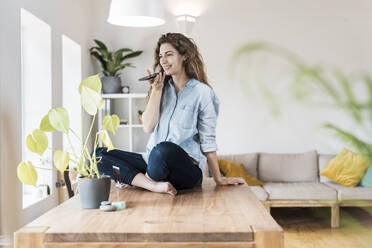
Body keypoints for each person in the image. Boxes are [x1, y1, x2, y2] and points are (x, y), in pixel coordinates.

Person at [95, 33, 244, 196]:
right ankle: (152, 185)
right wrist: (156, 90)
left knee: (163, 150)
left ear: (184, 56)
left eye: (169, 54)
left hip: (184, 169)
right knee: (97, 154)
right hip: (152, 162)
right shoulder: (161, 88)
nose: (163, 61)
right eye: (160, 56)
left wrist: (218, 178)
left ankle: (137, 181)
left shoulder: (203, 93)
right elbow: (147, 126)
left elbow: (208, 140)